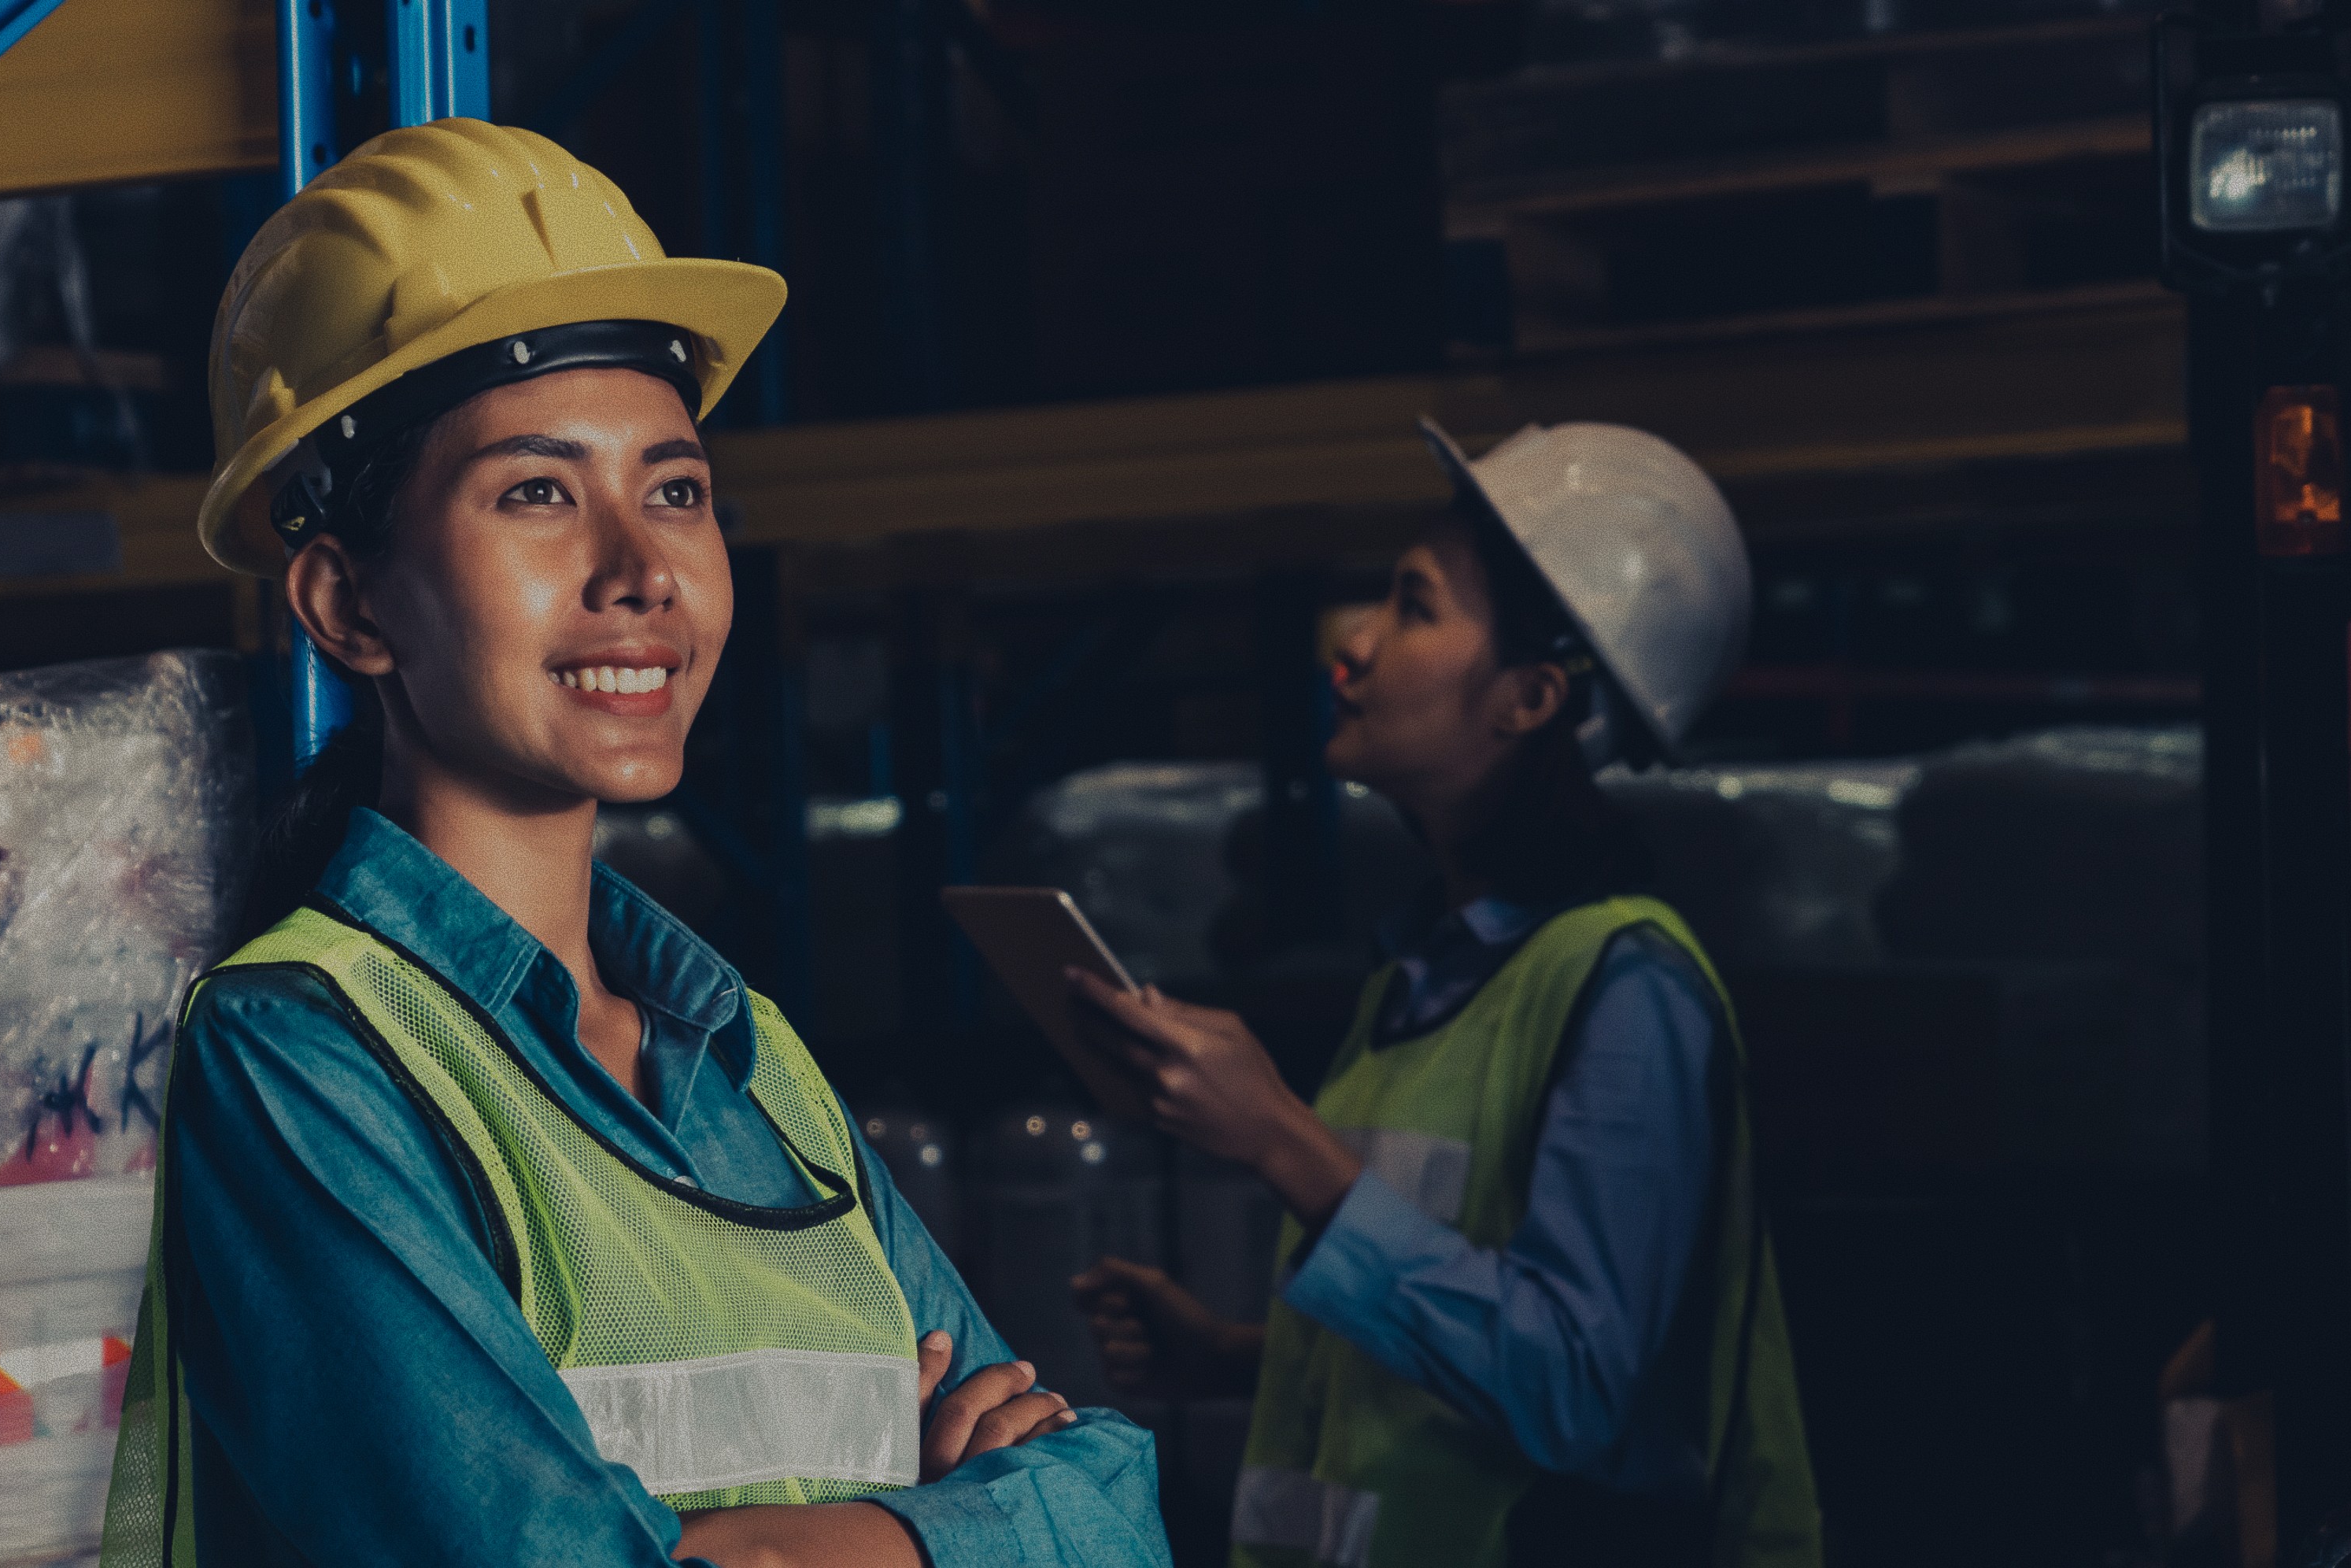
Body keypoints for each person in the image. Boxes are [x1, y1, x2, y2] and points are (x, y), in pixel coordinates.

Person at [99, 120, 1170, 1568]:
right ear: (348, 605)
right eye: (537, 492)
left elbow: (1115, 1511)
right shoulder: (305, 1059)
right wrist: (939, 1529)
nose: (641, 570)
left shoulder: (750, 1060)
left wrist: (759, 1546)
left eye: (676, 489)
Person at [1066, 420, 1821, 1568]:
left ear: (1527, 697)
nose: (1354, 646)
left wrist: (1280, 1140)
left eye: (1414, 608)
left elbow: (1576, 1389)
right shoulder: (1423, 982)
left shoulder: (1628, 994)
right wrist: (1227, 1355)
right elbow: (1454, 1341)